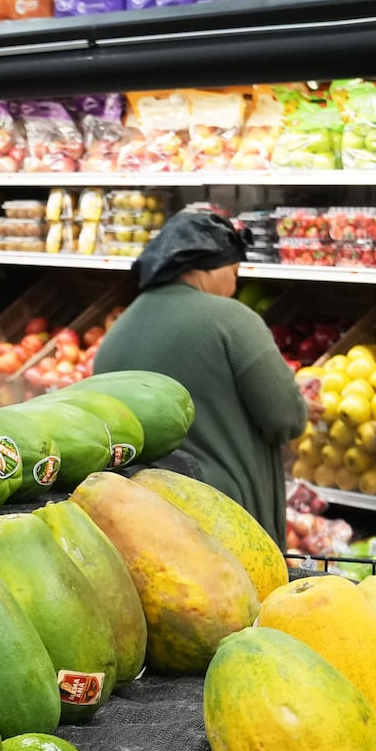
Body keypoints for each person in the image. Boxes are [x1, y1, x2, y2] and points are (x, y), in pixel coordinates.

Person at [91, 210, 308, 543]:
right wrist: (300, 402)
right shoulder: (232, 320)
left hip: (142, 524)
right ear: (207, 266)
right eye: (234, 272)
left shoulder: (114, 337)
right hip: (228, 521)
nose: (234, 285)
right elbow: (286, 419)